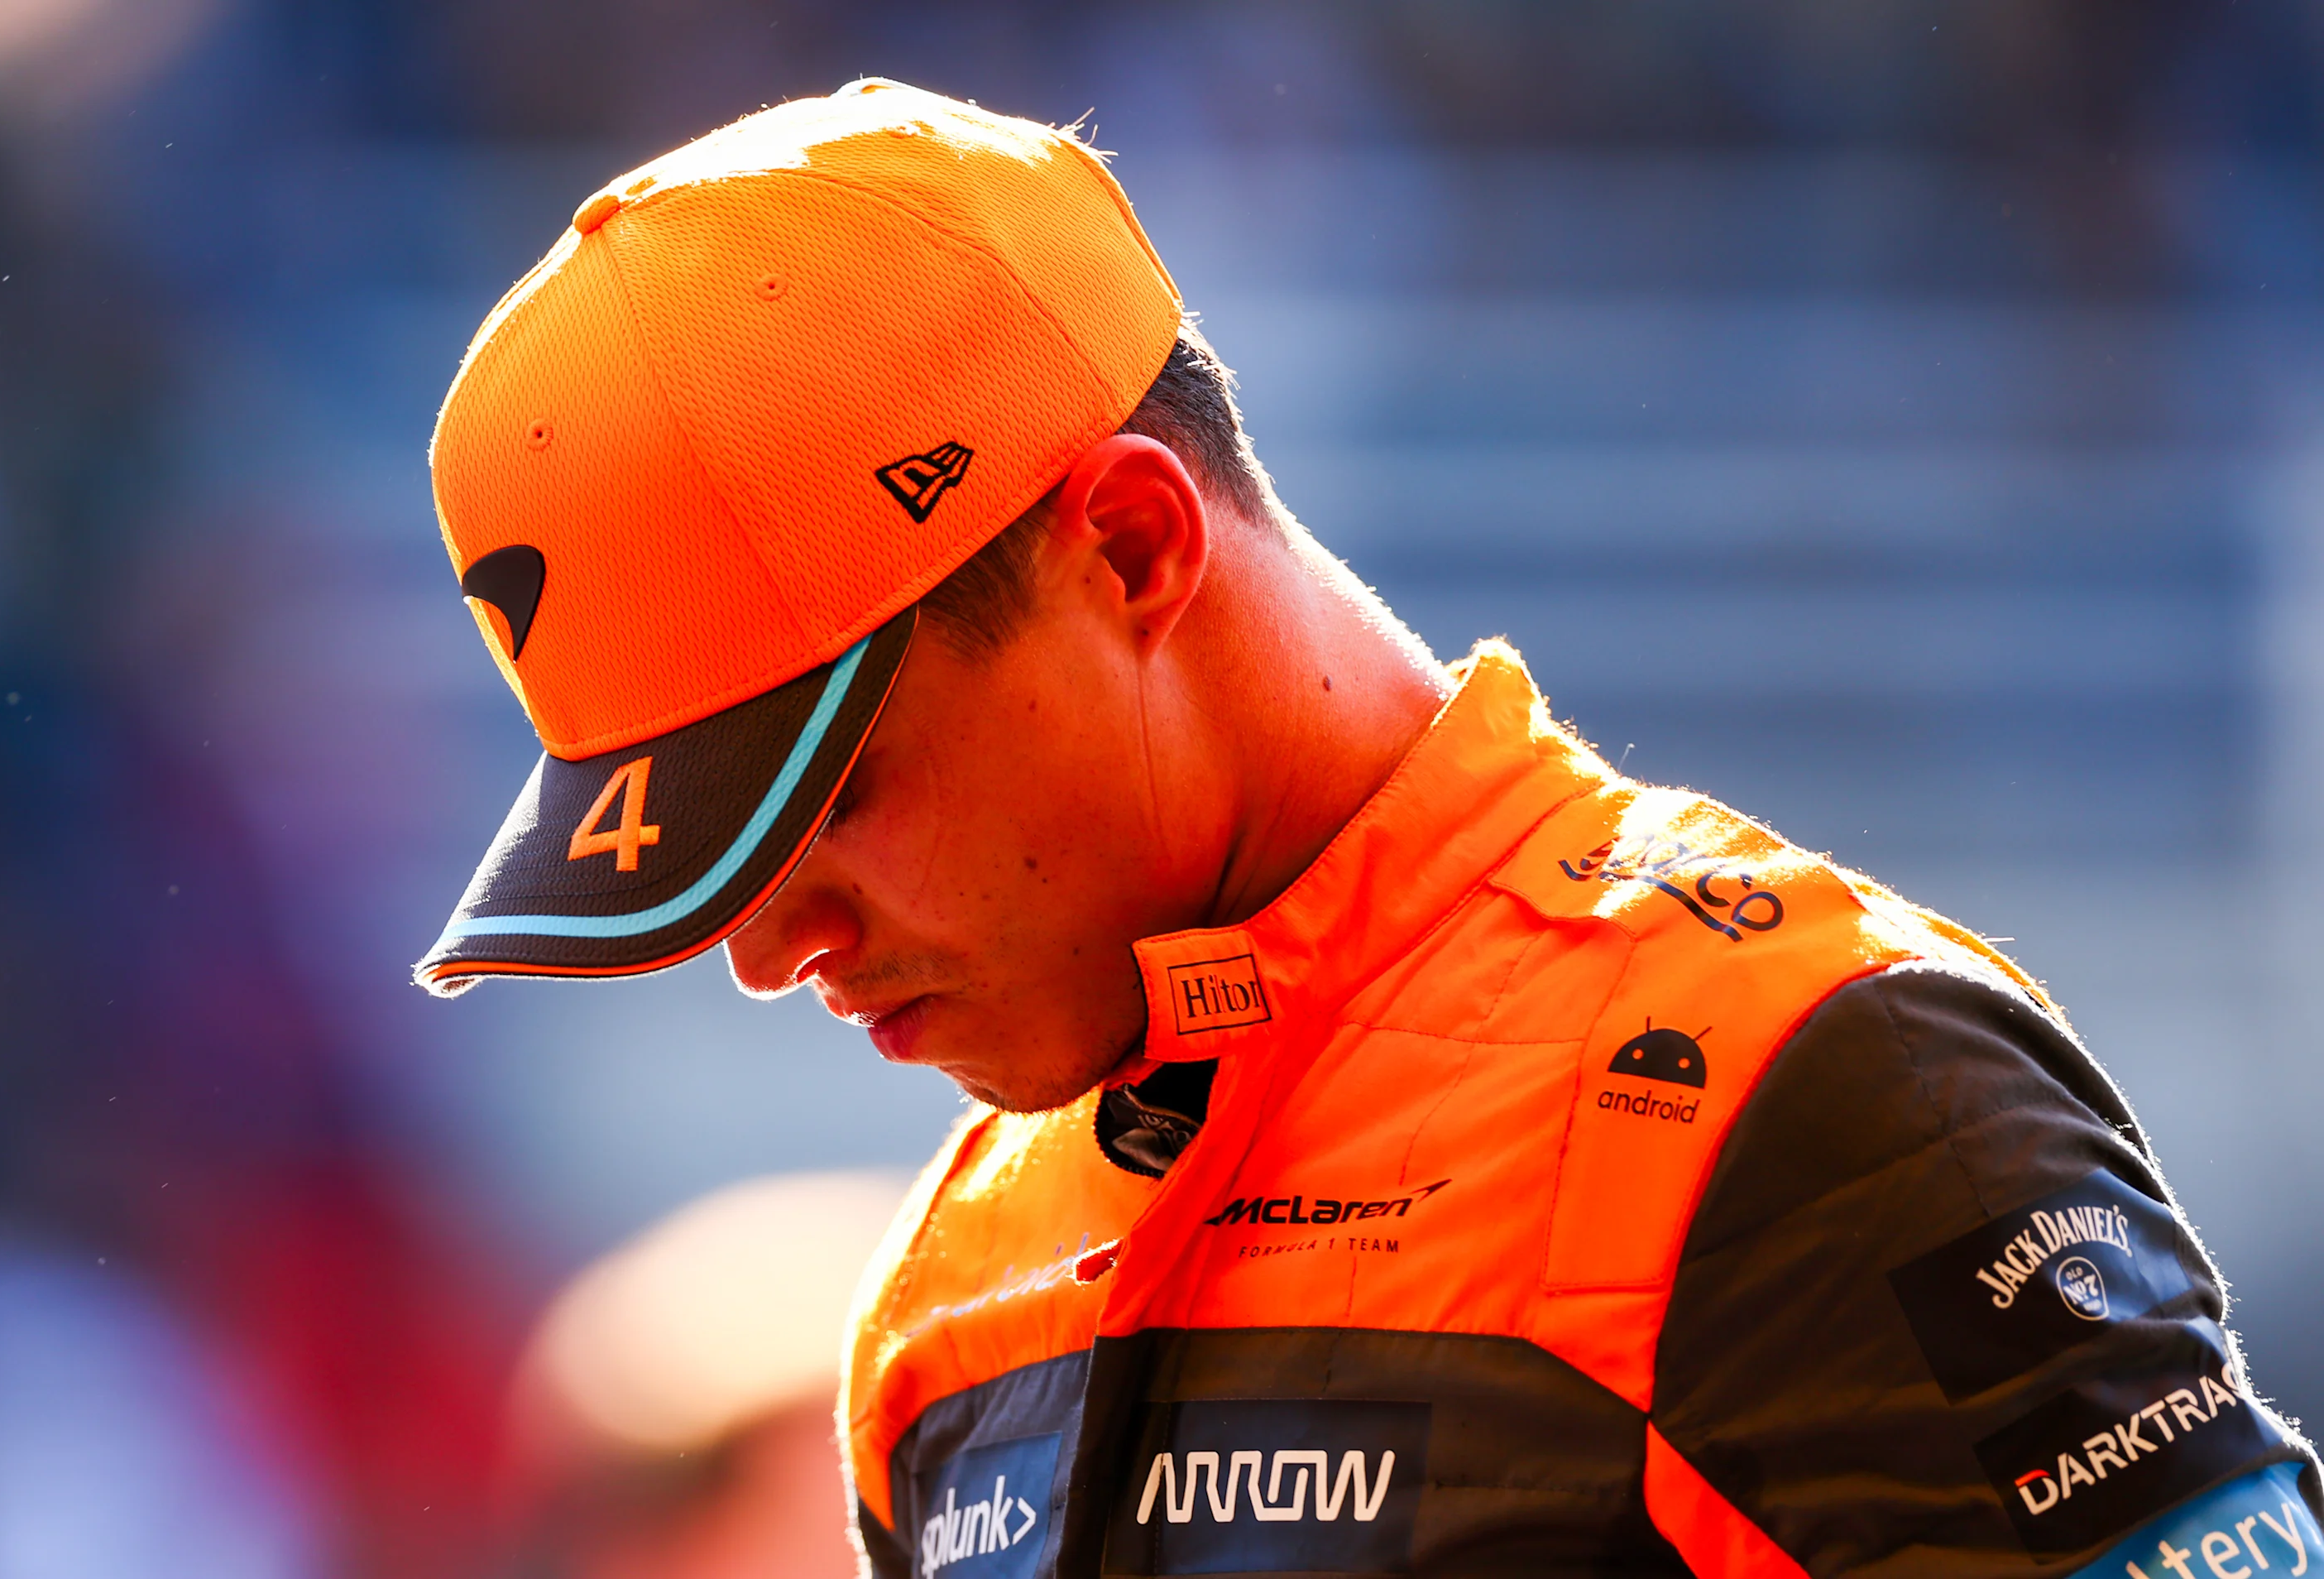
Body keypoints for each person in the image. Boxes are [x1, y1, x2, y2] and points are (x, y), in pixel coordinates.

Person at [414, 79, 2321, 1578]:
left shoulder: (1802, 1089)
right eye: (694, 858)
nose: (765, 942)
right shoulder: (949, 1296)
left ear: (1136, 547)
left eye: (821, 797)